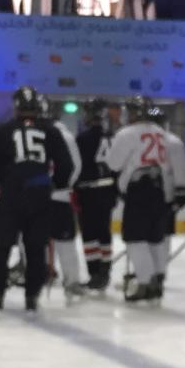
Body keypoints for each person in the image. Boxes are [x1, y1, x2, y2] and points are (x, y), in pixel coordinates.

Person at [0, 85, 74, 313]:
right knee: (35, 247)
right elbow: (66, 165)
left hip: (11, 195)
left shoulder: (1, 131)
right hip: (40, 195)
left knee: (1, 247)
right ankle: (32, 296)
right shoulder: (51, 131)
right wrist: (55, 184)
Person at [107, 96, 185, 304]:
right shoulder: (161, 133)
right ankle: (158, 278)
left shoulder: (127, 133)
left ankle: (145, 282)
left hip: (139, 189)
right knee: (155, 238)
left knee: (135, 238)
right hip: (159, 188)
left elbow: (113, 163)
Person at [73, 98, 121, 292]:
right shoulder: (114, 137)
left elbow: (77, 167)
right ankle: (105, 271)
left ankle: (94, 273)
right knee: (104, 232)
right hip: (108, 191)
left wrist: (74, 188)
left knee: (90, 234)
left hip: (89, 191)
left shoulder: (83, 138)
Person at [47, 103, 90, 299]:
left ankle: (37, 275)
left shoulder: (34, 132)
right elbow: (76, 166)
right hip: (60, 197)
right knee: (66, 242)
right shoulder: (66, 135)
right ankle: (71, 281)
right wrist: (65, 186)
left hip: (38, 197)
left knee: (33, 240)